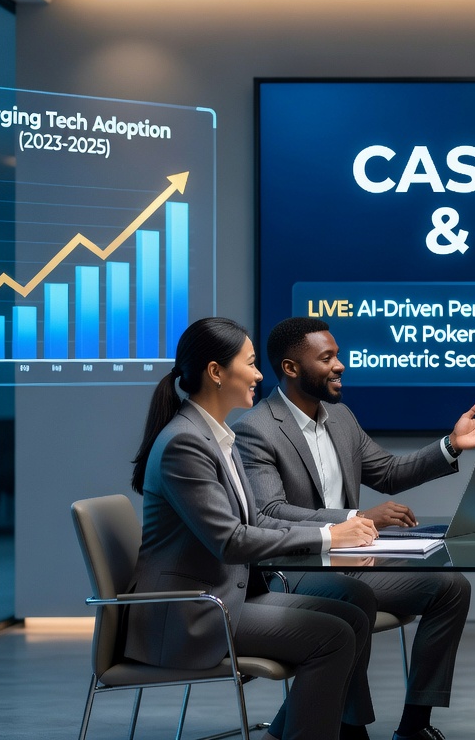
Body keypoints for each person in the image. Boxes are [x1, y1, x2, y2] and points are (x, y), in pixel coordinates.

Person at [234, 316, 475, 740]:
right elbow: (269, 511)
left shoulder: (341, 417)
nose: (339, 365)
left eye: (337, 355)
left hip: (351, 559)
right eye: (326, 358)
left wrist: (452, 445)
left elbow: (389, 472)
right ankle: (350, 727)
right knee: (353, 598)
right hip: (291, 568)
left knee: (451, 587)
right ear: (290, 368)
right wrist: (354, 519)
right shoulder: (256, 429)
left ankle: (414, 727)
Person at [126, 317, 382, 740]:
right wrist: (327, 536)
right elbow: (230, 541)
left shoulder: (217, 436)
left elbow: (256, 521)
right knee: (334, 636)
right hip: (191, 614)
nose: (260, 375)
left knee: (351, 617)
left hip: (222, 598)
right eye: (249, 363)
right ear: (216, 372)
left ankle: (283, 735)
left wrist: (334, 530)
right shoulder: (184, 443)